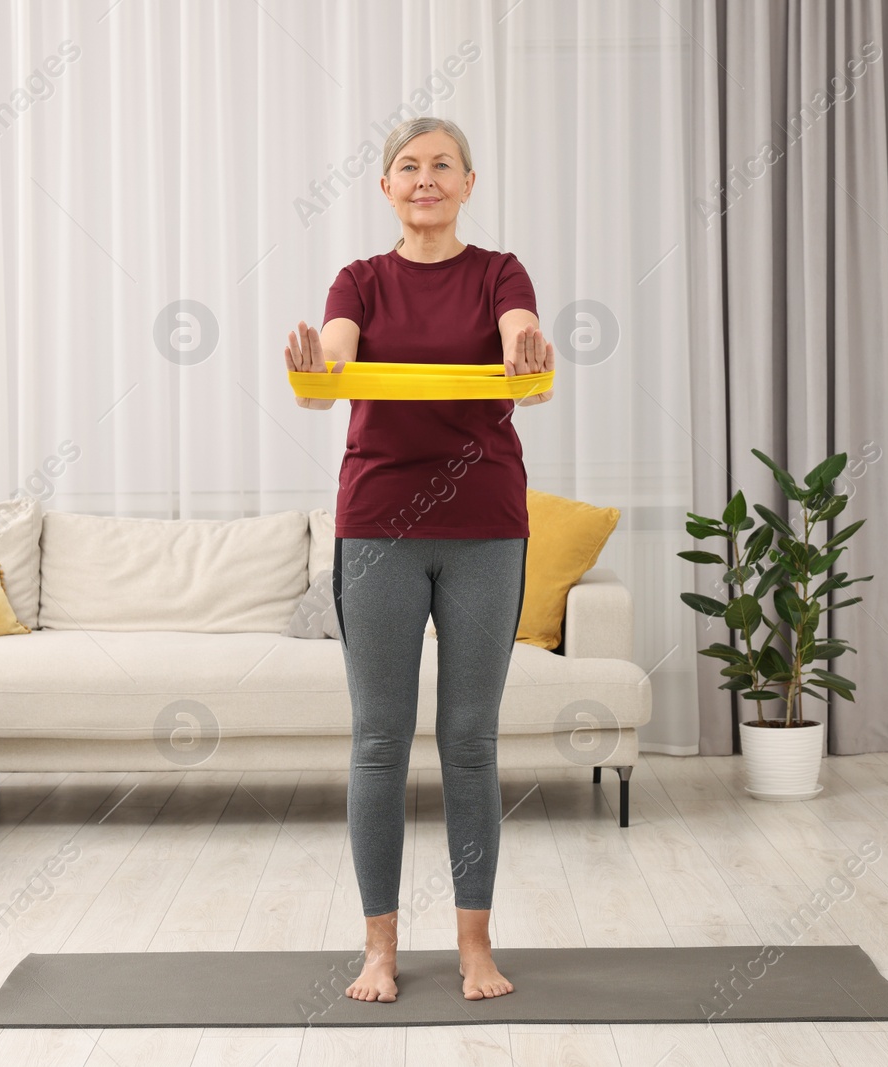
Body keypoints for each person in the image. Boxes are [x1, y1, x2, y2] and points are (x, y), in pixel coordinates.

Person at [282, 116, 555, 1003]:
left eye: (444, 165)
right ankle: (379, 948)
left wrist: (523, 348)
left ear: (469, 183)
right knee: (378, 741)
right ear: (387, 187)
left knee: (470, 741)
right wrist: (317, 367)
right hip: (378, 527)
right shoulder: (359, 280)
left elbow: (522, 332)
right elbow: (335, 366)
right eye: (409, 166)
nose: (426, 178)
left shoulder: (497, 272)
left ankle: (476, 945)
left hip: (484, 527)